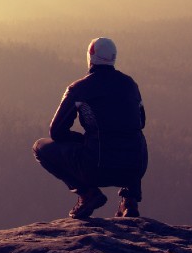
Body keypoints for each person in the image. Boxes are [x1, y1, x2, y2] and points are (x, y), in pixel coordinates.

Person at [33, 37, 147, 219]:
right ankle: (130, 201)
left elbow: (56, 132)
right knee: (133, 137)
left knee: (40, 147)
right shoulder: (130, 85)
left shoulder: (79, 89)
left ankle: (87, 194)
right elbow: (140, 122)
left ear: (90, 57)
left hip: (97, 166)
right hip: (135, 167)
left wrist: (84, 140)